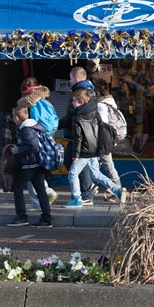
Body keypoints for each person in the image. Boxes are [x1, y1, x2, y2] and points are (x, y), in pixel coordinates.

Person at [63, 89, 126, 208]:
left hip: (84, 151)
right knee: (96, 173)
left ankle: (77, 199)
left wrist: (75, 155)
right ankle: (117, 189)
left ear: (81, 102)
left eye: (74, 101)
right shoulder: (94, 112)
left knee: (72, 173)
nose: (72, 104)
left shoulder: (77, 117)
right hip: (94, 149)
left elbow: (78, 137)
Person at [16, 77, 59, 210]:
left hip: (36, 134)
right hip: (49, 132)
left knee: (31, 165)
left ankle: (40, 198)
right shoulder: (45, 99)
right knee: (37, 166)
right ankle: (41, 198)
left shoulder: (30, 102)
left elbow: (31, 121)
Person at [6, 106, 53, 228]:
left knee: (18, 187)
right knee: (41, 190)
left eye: (13, 117)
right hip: (39, 162)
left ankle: (21, 216)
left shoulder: (25, 129)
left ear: (17, 117)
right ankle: (47, 218)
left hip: (29, 163)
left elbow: (33, 146)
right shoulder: (36, 126)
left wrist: (17, 150)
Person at [59, 67, 97, 205]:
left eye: (70, 79)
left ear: (75, 79)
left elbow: (72, 115)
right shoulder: (91, 91)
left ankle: (84, 195)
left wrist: (57, 125)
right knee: (80, 165)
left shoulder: (80, 93)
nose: (69, 81)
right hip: (83, 134)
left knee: (74, 163)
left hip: (78, 135)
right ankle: (84, 193)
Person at [94, 79, 122, 187]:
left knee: (108, 165)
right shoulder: (110, 101)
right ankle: (91, 189)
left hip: (103, 138)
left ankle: (118, 188)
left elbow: (103, 124)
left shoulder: (101, 105)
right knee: (97, 165)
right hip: (108, 137)